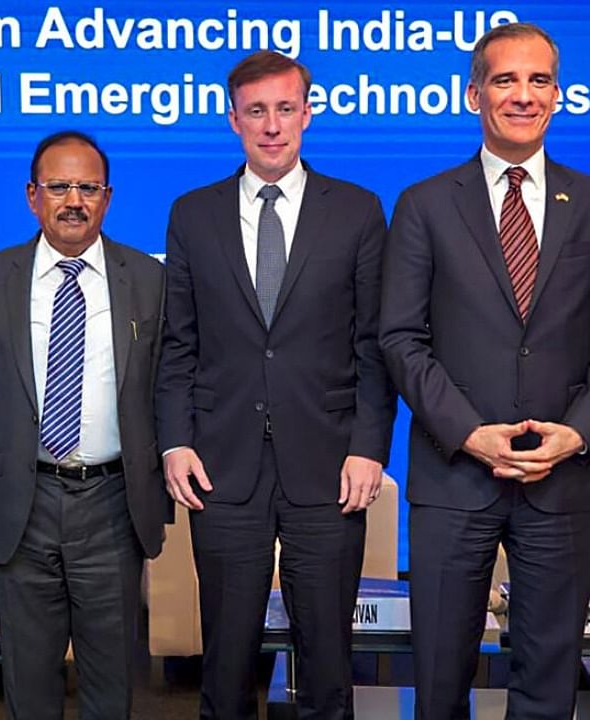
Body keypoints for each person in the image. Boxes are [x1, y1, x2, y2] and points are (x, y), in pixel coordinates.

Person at [379, 23, 590, 719]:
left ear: (558, 95)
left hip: (563, 478)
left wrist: (578, 434)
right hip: (453, 476)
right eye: (505, 80)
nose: (522, 95)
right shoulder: (424, 204)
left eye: (538, 81)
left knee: (549, 677)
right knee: (440, 676)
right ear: (474, 93)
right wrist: (469, 434)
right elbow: (402, 338)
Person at [157, 51, 395, 719]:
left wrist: (369, 446)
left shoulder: (355, 211)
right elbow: (179, 344)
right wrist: (175, 441)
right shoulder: (192, 214)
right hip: (221, 465)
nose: (272, 126)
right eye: (256, 111)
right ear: (233, 119)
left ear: (307, 115)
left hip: (329, 465)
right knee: (226, 666)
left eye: (285, 109)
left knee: (327, 663)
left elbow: (374, 345)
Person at [0, 130, 167, 719]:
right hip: (23, 505)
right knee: (29, 680)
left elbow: (167, 394)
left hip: (114, 502)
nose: (74, 199)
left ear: (108, 197)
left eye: (88, 187)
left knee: (111, 679)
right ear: (32, 196)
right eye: (59, 186)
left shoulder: (148, 279)